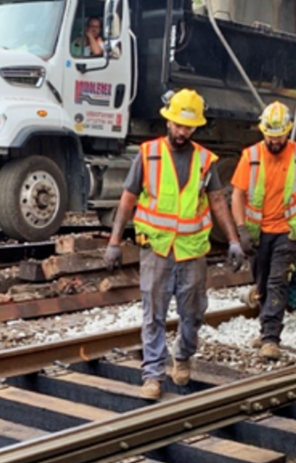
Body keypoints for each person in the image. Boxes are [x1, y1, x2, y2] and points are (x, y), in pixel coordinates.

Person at [103, 89, 244, 399]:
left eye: (188, 127)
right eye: (178, 125)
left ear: (196, 128)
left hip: (192, 251)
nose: (182, 132)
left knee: (193, 313)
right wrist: (114, 241)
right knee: (153, 313)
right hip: (156, 248)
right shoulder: (148, 154)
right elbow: (127, 200)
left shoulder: (205, 161)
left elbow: (218, 201)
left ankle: (182, 356)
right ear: (168, 121)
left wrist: (233, 240)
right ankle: (152, 375)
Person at [230, 101, 296, 360]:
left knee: (277, 282)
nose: (274, 141)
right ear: (263, 132)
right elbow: (237, 195)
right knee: (261, 283)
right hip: (257, 232)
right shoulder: (250, 156)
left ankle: (271, 338)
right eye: (270, 136)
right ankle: (265, 331)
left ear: (288, 131)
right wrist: (241, 230)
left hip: (287, 231)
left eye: (279, 136)